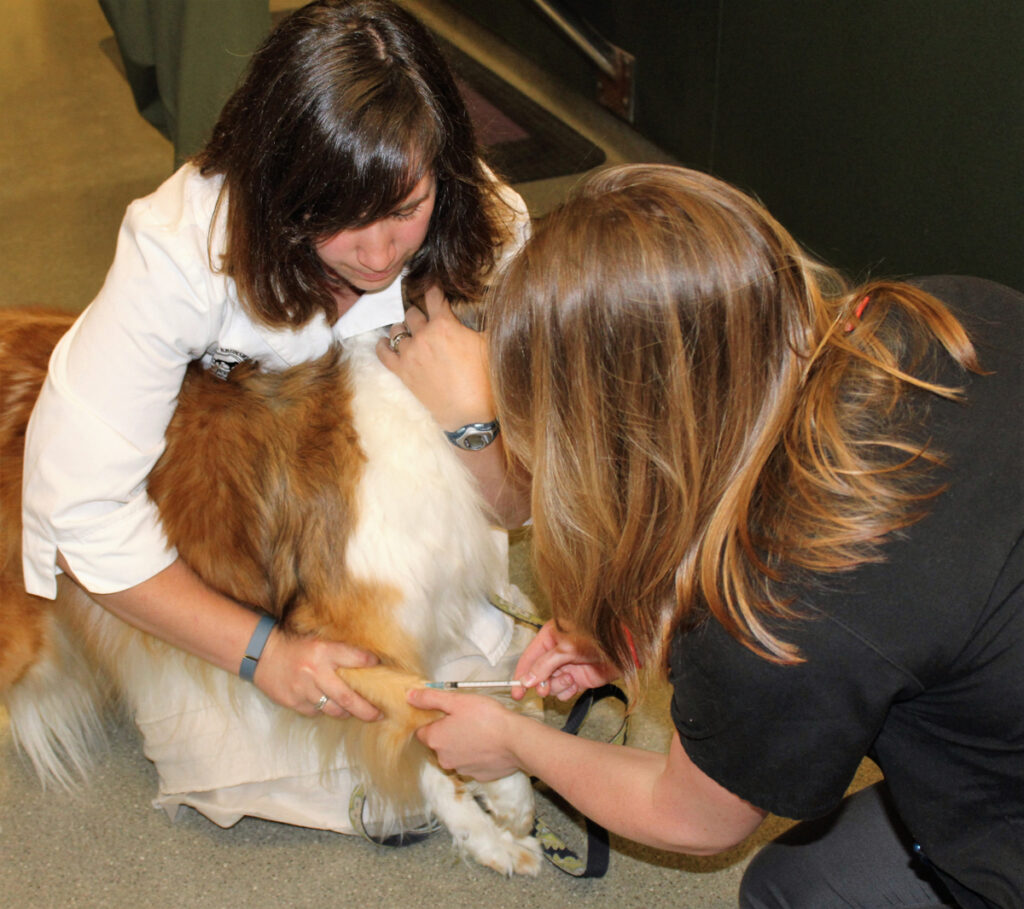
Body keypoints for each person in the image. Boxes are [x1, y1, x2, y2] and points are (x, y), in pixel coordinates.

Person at [408, 164, 1023, 908]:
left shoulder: (776, 616)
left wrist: (513, 743)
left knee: (790, 894)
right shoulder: (948, 314)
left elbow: (694, 817)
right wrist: (646, 625)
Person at [22, 0, 528, 723]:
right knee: (275, 751)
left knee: (449, 725)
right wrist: (265, 653)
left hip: (403, 549)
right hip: (236, 562)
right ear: (276, 185)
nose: (380, 254)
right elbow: (79, 508)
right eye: (340, 216)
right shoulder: (183, 243)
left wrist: (472, 419)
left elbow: (523, 503)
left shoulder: (493, 229)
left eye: (406, 207)